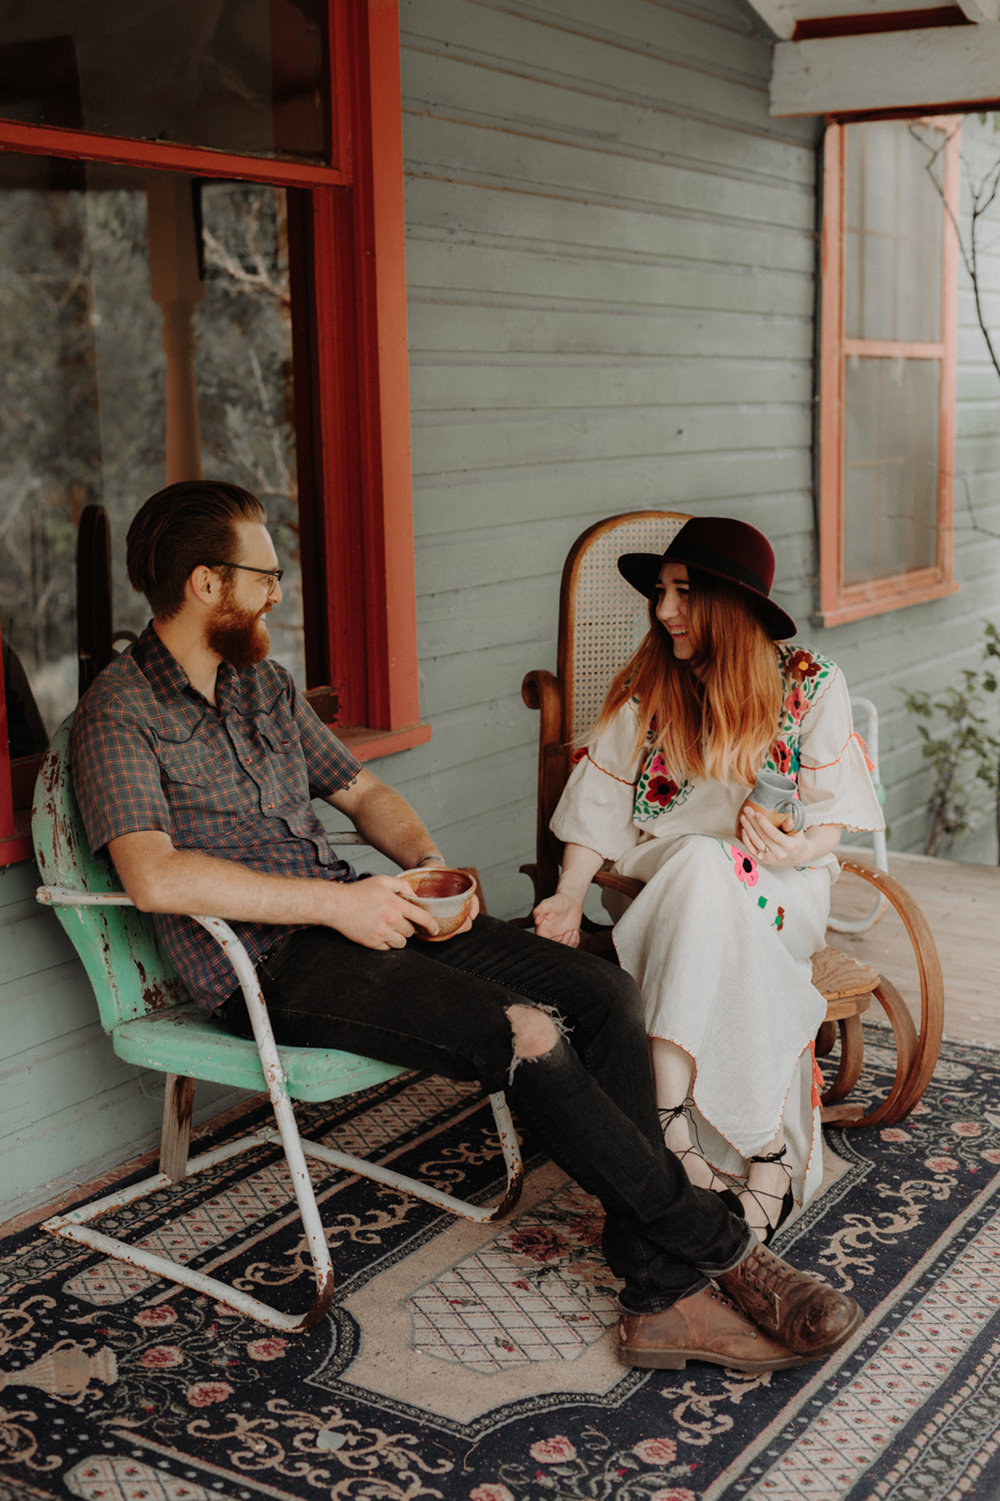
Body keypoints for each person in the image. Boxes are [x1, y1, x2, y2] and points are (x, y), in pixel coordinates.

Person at [71, 481, 864, 1373]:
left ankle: (659, 1297)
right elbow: (153, 875)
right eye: (265, 575)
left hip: (368, 910)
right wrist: (341, 903)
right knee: (523, 1032)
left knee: (603, 991)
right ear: (208, 583)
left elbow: (361, 790)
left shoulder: (262, 684)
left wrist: (424, 863)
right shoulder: (117, 711)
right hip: (270, 963)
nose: (281, 593)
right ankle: (728, 1256)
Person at [534, 516, 885, 1243]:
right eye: (661, 592)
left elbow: (830, 818)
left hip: (781, 889)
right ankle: (765, 1151)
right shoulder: (651, 685)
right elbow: (598, 805)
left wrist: (790, 850)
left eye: (684, 593)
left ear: (729, 602)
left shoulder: (809, 685)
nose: (664, 611)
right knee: (698, 859)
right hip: (660, 882)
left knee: (713, 872)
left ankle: (670, 1131)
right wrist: (568, 895)